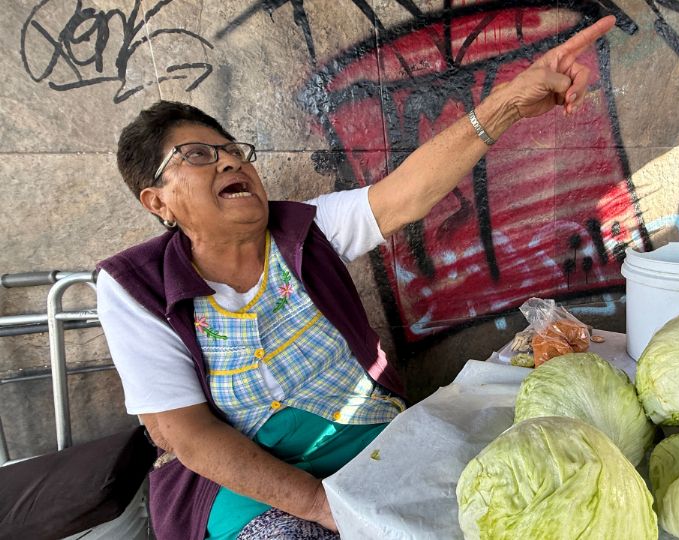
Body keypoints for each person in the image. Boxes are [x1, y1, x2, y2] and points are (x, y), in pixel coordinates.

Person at [97, 16, 616, 540]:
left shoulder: (304, 229)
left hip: (368, 442)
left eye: (234, 151)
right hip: (246, 479)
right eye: (198, 156)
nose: (230, 163)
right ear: (157, 200)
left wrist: (507, 102)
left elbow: (407, 193)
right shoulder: (136, 288)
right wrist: (322, 506)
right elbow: (186, 434)